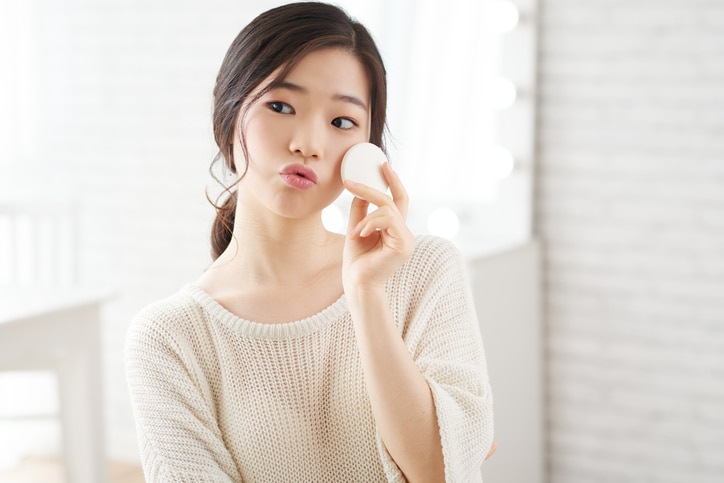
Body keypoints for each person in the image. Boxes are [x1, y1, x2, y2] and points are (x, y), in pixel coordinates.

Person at [125, 2, 494, 481]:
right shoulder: (170, 338)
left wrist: (366, 295)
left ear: (367, 149)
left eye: (342, 122)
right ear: (229, 113)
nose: (309, 143)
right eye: (281, 106)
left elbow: (440, 472)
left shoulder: (423, 269)